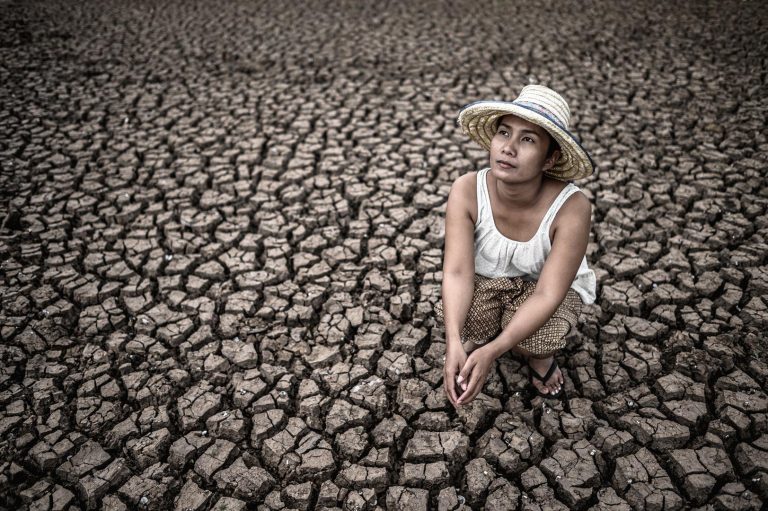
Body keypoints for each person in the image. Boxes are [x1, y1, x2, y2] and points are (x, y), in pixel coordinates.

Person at [437, 84, 597, 408]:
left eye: (527, 140)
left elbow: (547, 294)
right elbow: (456, 272)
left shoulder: (572, 207)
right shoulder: (467, 190)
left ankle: (537, 357)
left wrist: (493, 351)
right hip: (488, 281)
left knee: (535, 336)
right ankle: (481, 335)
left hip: (542, 290)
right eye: (504, 132)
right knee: (456, 317)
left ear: (550, 158)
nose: (508, 148)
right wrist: (452, 341)